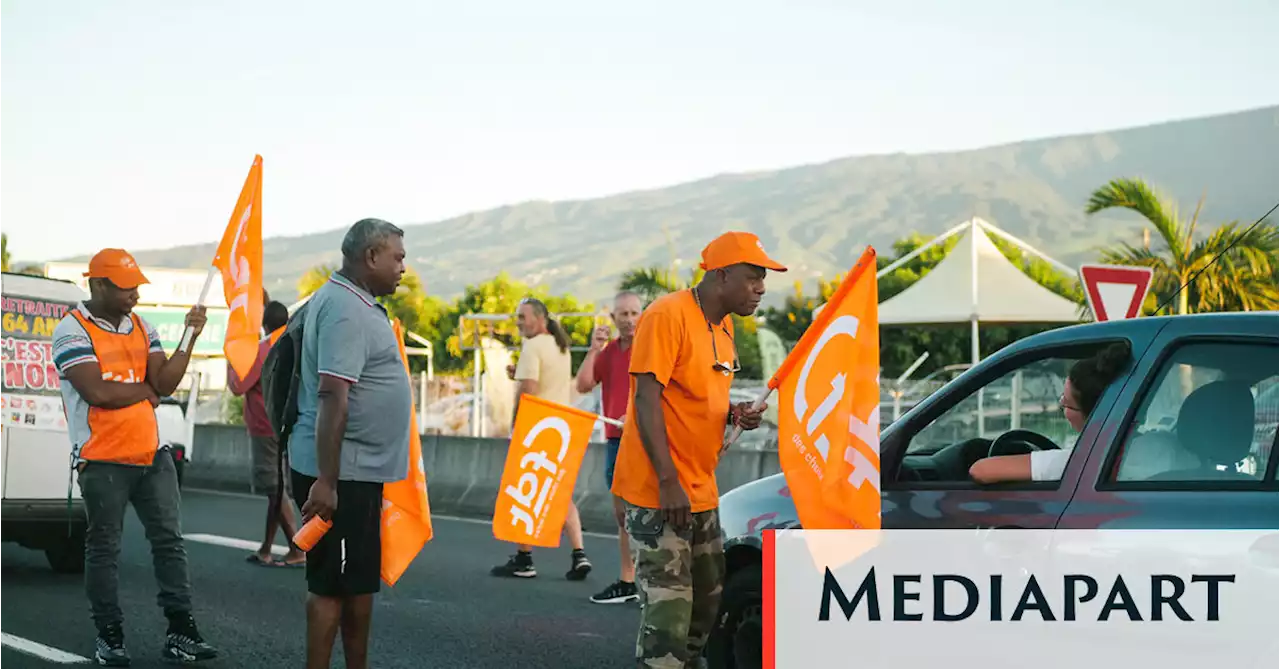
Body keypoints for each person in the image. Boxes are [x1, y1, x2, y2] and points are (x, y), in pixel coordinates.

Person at [612, 231, 780, 668]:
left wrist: (733, 413)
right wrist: (668, 482)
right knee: (667, 624)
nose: (761, 288)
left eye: (764, 279)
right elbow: (646, 399)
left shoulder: (723, 327)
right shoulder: (667, 315)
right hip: (659, 492)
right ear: (722, 276)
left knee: (704, 613)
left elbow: (694, 395)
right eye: (753, 277)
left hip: (700, 492)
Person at [51, 248, 218, 666]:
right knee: (104, 549)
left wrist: (189, 337)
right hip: (103, 459)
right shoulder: (71, 330)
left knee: (169, 543)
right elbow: (99, 392)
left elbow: (166, 382)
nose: (135, 295)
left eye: (137, 287)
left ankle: (181, 631)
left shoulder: (142, 326)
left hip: (151, 454)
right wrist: (147, 392)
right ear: (98, 285)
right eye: (126, 288)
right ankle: (110, 636)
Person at [288, 219, 411, 669]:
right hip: (341, 473)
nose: (403, 266)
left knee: (356, 584)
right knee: (330, 586)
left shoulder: (355, 302)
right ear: (371, 256)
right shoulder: (344, 308)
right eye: (397, 257)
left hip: (357, 471)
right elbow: (332, 395)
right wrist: (326, 481)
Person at [490, 296, 593, 580]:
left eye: (523, 317)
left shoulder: (532, 346)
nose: (519, 322)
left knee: (524, 488)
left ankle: (524, 558)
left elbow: (530, 389)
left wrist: (515, 425)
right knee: (561, 492)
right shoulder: (560, 346)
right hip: (562, 427)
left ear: (540, 318)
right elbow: (549, 381)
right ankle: (579, 554)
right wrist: (519, 373)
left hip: (536, 429)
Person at [969, 341, 1132, 484]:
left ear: (1093, 415)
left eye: (1066, 404)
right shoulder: (1148, 447)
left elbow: (980, 470)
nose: (1062, 407)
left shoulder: (1080, 463)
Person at [576, 291, 644, 604]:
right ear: (613, 318)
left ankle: (643, 580)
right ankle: (628, 580)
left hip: (644, 440)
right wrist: (593, 349)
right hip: (615, 439)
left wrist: (635, 413)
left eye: (633, 313)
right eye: (623, 314)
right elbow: (584, 384)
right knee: (622, 515)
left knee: (645, 512)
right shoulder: (611, 351)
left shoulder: (650, 348)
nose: (629, 320)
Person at [226, 300, 305, 568]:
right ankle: (267, 548)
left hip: (265, 425)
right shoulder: (296, 343)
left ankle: (297, 547)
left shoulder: (262, 350)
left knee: (274, 486)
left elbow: (239, 386)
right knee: (280, 485)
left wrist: (231, 359)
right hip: (293, 425)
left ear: (265, 324)